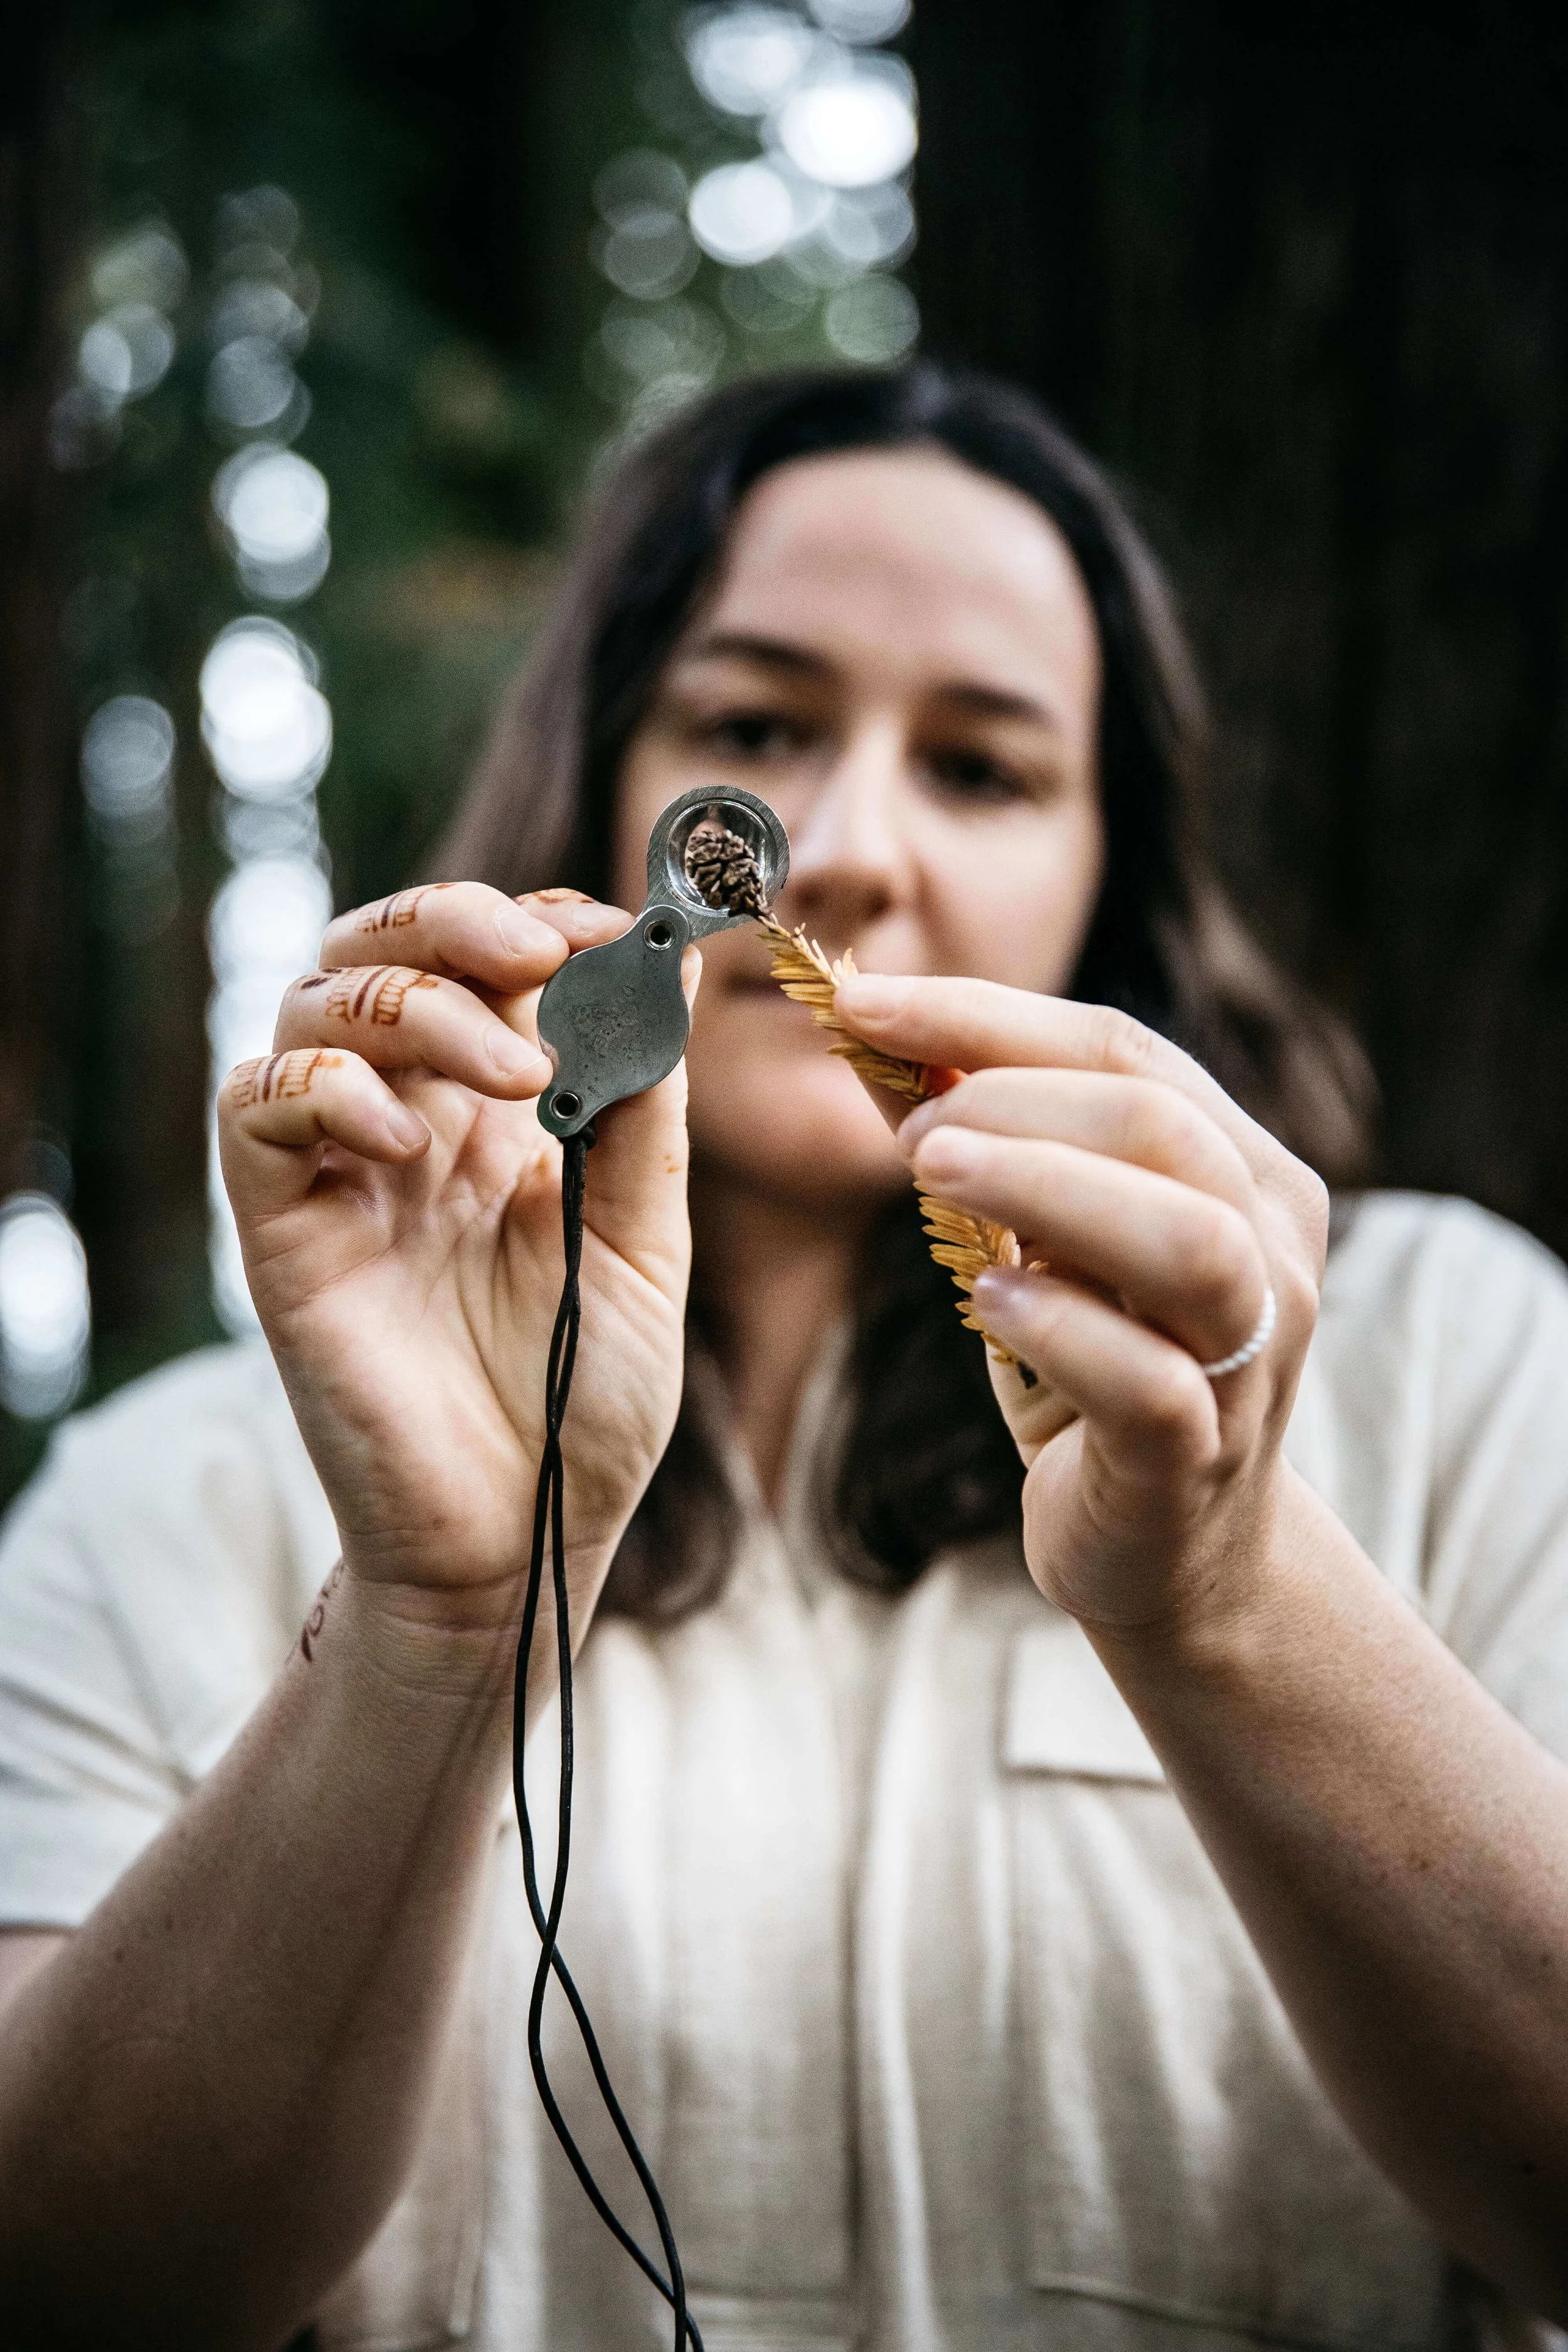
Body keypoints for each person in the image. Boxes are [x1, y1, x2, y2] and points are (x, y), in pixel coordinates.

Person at [1, 363, 1567, 2352]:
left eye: (984, 768)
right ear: (598, 793)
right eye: (751, 729)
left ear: (1115, 878)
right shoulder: (185, 1497)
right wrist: (434, 1615)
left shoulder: (1447, 1366)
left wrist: (1233, 1597)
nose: (833, 850)